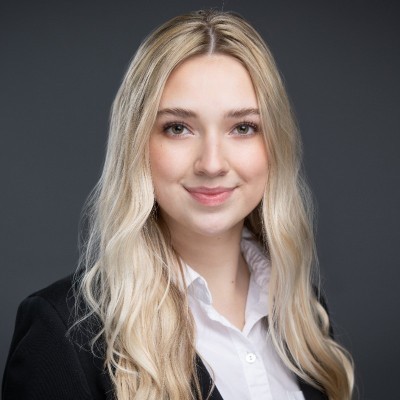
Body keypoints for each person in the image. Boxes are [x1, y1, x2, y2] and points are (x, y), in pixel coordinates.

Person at [2, 9, 354, 400]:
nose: (212, 164)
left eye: (243, 127)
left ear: (274, 145)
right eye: (177, 128)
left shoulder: (303, 313)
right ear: (137, 145)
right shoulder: (62, 334)